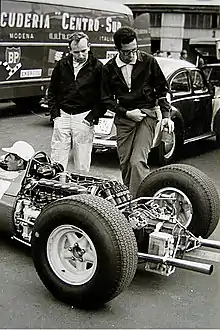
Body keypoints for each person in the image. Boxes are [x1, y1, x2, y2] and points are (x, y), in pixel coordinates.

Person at [100, 26, 174, 197]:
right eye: (127, 52)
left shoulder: (148, 61)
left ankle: (140, 202)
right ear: (118, 49)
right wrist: (126, 113)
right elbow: (105, 99)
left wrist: (166, 116)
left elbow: (162, 89)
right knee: (125, 163)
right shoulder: (109, 68)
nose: (132, 55)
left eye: (135, 49)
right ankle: (129, 198)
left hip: (147, 116)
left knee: (137, 161)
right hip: (125, 118)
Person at [48, 32, 103, 172]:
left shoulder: (98, 67)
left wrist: (91, 118)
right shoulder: (61, 65)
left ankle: (81, 190)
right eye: (76, 52)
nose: (80, 55)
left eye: (83, 51)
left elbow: (104, 96)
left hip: (84, 116)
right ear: (70, 50)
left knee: (82, 160)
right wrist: (55, 115)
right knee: (57, 158)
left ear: (89, 47)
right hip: (63, 115)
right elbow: (52, 91)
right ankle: (57, 187)